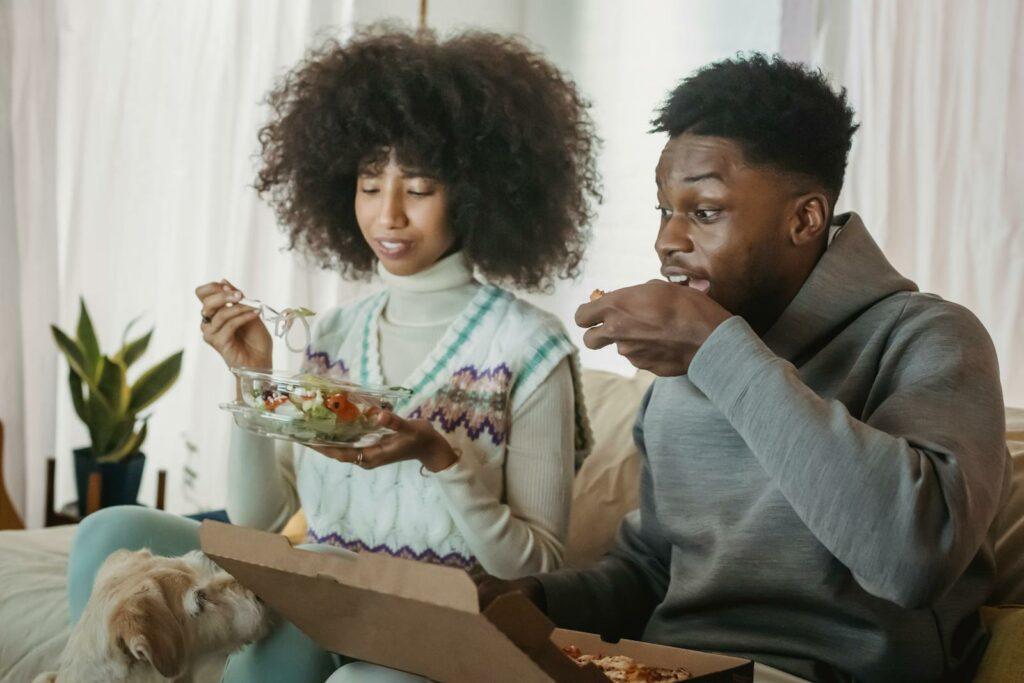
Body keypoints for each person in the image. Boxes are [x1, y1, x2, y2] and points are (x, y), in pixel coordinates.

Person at [65, 26, 598, 682]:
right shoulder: (336, 335)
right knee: (106, 533)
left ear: (476, 190)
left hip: (438, 630)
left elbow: (535, 564)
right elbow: (258, 520)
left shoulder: (527, 347)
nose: (388, 214)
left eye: (420, 188)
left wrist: (441, 457)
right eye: (370, 183)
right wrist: (252, 378)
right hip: (318, 601)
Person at [476, 54, 1010, 683]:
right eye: (662, 210)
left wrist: (718, 351)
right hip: (663, 667)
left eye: (704, 212)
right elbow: (655, 570)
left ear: (804, 219)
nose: (667, 241)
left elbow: (912, 558)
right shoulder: (684, 364)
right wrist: (534, 600)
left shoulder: (928, 337)